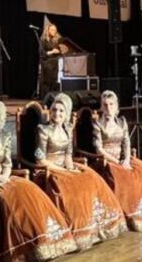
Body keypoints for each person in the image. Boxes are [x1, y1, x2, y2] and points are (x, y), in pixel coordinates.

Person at [0, 99, 77, 262]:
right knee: (10, 198)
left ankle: (36, 242)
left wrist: (4, 175)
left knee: (29, 191)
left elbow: (7, 164)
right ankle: (16, 250)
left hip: (3, 178)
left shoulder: (4, 137)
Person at [35, 93, 126, 248]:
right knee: (70, 187)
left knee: (89, 179)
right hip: (48, 170)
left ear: (66, 114)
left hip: (65, 168)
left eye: (61, 111)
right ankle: (73, 231)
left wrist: (71, 169)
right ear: (50, 111)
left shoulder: (68, 129)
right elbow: (40, 159)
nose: (57, 113)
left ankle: (93, 228)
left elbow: (68, 155)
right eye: (54, 110)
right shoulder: (43, 130)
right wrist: (64, 171)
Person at [93, 91, 142, 231]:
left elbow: (127, 142)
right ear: (101, 106)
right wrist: (117, 162)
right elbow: (99, 149)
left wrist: (126, 159)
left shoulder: (121, 121)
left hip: (122, 159)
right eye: (105, 105)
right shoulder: (98, 124)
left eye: (111, 104)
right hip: (106, 162)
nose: (108, 108)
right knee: (124, 178)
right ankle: (128, 215)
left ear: (116, 106)